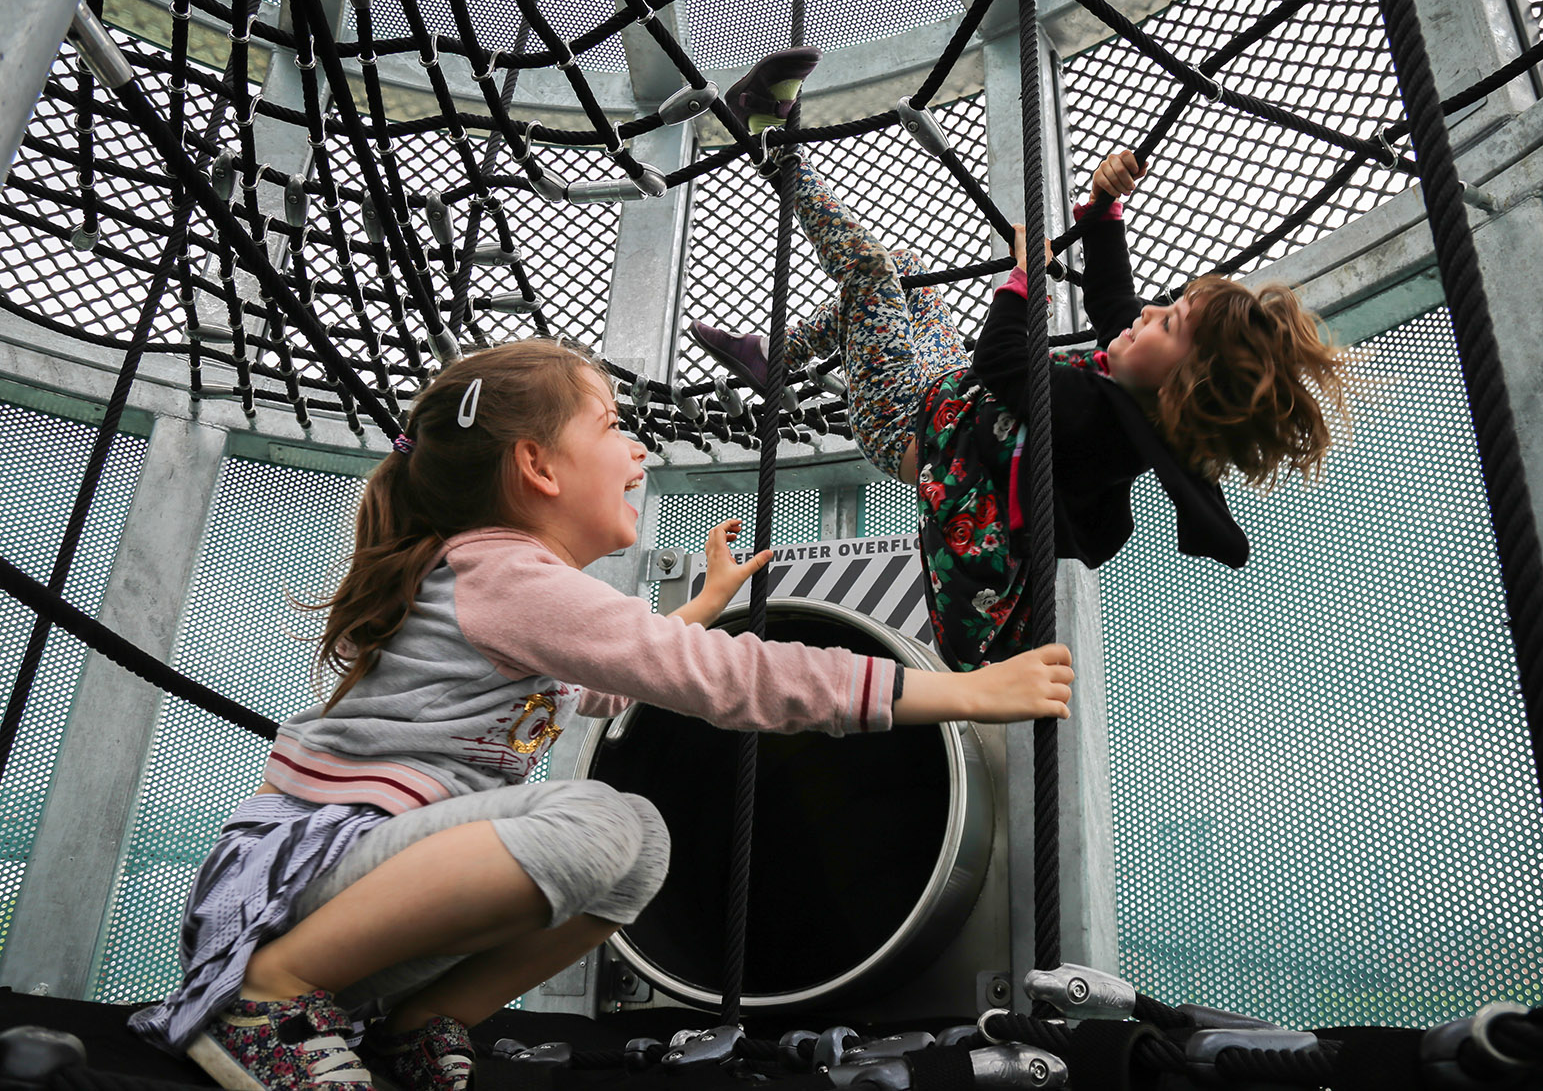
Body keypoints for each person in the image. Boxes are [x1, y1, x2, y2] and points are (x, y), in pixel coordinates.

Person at [131, 340, 1075, 1091]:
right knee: (599, 821)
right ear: (537, 464)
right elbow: (716, 679)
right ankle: (265, 1001)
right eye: (614, 426)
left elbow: (608, 678)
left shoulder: (505, 582)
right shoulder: (503, 571)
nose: (640, 450)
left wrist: (694, 610)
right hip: (301, 881)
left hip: (350, 892)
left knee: (640, 856)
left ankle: (414, 1024)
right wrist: (959, 693)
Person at [690, 118, 1348, 671]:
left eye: (1169, 323)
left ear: (1183, 386)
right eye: (1168, 307)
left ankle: (775, 154)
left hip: (901, 420)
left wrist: (1027, 272)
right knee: (910, 280)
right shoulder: (1136, 389)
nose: (1150, 314)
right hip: (948, 393)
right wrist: (1104, 204)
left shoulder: (1101, 423)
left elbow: (1003, 358)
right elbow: (1116, 299)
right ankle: (772, 359)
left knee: (870, 273)